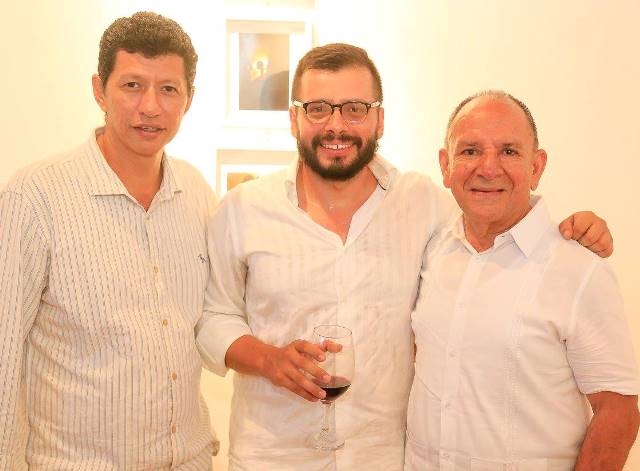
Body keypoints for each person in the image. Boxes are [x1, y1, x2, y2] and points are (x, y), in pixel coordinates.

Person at [196, 44, 614, 470]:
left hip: (380, 458)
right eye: (318, 109)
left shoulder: (425, 204)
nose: (336, 125)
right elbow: (213, 317)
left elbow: (495, 223)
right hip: (272, 457)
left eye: (355, 109)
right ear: (294, 119)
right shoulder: (243, 208)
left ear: (379, 119)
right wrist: (268, 360)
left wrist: (577, 227)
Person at [0, 12, 218, 469]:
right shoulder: (35, 196)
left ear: (189, 99)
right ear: (99, 90)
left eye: (168, 89)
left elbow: (198, 327)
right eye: (132, 85)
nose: (150, 107)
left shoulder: (196, 191)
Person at [405, 90, 640, 470]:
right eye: (470, 151)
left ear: (536, 166)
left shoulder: (579, 269)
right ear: (445, 165)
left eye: (509, 151)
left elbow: (618, 411)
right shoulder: (432, 249)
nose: (488, 168)